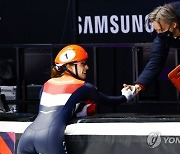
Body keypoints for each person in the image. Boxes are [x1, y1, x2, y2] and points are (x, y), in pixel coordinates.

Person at [17, 44, 135, 154]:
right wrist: (126, 96)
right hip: (49, 137)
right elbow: (108, 101)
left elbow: (52, 111)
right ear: (69, 66)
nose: (87, 67)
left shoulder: (47, 83)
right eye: (83, 63)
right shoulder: (83, 86)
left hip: (27, 136)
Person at [124, 1, 180, 94]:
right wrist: (138, 86)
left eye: (161, 30)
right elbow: (155, 62)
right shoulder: (162, 37)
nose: (159, 33)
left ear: (173, 25)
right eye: (156, 30)